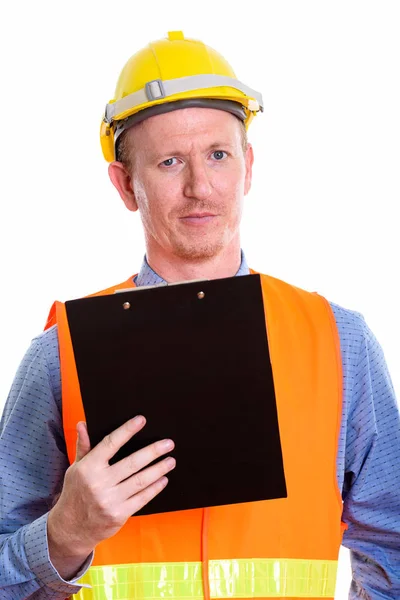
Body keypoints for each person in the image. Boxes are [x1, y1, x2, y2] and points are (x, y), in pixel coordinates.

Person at [0, 30, 399, 600]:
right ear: (125, 185)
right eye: (168, 162)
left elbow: (394, 544)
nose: (200, 186)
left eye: (218, 154)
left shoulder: (338, 343)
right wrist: (64, 535)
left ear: (248, 164)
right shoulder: (59, 357)